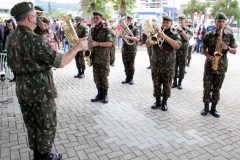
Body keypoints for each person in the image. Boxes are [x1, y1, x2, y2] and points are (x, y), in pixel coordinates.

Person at [6, 2, 85, 160]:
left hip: (23, 89)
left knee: (32, 124)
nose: (37, 18)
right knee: (46, 125)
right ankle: (43, 157)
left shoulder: (11, 37)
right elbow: (61, 62)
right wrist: (77, 47)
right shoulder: (34, 40)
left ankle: (37, 154)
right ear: (30, 17)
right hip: (40, 92)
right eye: (35, 15)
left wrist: (41, 31)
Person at [201, 12, 237, 118]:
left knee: (217, 88)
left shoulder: (229, 34)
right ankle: (206, 107)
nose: (221, 24)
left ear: (225, 23)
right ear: (215, 22)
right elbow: (203, 50)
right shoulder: (208, 34)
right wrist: (209, 56)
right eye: (219, 21)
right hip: (209, 65)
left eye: (223, 21)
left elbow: (234, 51)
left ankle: (213, 108)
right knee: (207, 87)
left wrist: (227, 47)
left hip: (221, 66)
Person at [150, 16, 181, 111]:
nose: (165, 24)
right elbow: (147, 44)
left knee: (167, 84)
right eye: (164, 22)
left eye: (167, 22)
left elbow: (177, 45)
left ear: (171, 23)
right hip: (156, 64)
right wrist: (154, 35)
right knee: (156, 83)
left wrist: (165, 37)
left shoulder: (174, 33)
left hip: (168, 65)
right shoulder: (155, 31)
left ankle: (164, 102)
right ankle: (157, 101)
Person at [90, 11, 113, 104]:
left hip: (103, 58)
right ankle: (99, 94)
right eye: (94, 18)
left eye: (97, 18)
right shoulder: (92, 29)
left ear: (101, 18)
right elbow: (91, 42)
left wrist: (97, 43)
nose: (95, 20)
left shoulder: (106, 29)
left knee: (104, 77)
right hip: (95, 57)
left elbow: (110, 43)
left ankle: (105, 95)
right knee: (96, 77)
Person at [172, 15, 192, 90]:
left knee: (182, 68)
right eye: (179, 20)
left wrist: (181, 31)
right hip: (175, 51)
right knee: (174, 67)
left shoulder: (188, 30)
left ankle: (180, 82)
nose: (180, 21)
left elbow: (187, 38)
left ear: (185, 21)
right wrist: (174, 30)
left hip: (183, 52)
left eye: (182, 20)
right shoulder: (175, 29)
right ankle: (174, 82)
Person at [121, 15, 140, 85]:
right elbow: (119, 34)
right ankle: (127, 77)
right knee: (125, 63)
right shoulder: (124, 29)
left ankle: (131, 78)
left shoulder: (135, 29)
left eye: (130, 20)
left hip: (132, 49)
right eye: (127, 20)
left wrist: (127, 37)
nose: (129, 22)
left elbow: (137, 39)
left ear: (133, 21)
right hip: (124, 49)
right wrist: (122, 35)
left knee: (131, 64)